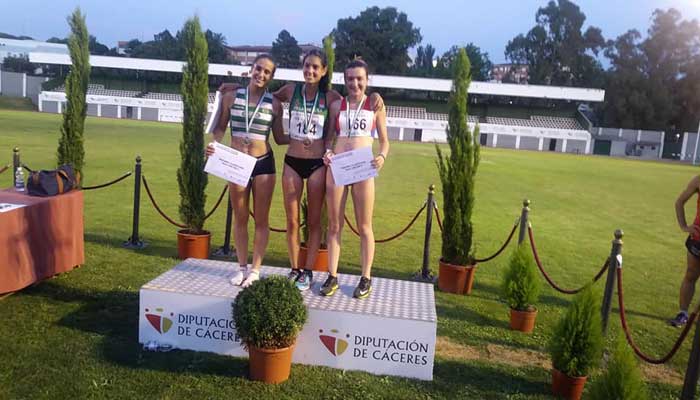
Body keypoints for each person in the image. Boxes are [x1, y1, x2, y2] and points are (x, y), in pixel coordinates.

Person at [218, 51, 384, 291]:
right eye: (307, 66)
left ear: (324, 71)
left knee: (314, 222)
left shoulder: (331, 97)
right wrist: (235, 86)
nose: (310, 71)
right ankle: (295, 268)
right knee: (292, 221)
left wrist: (375, 94)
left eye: (316, 67)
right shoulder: (289, 91)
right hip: (292, 162)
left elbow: (355, 98)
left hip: (317, 164)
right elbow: (262, 90)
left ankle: (308, 271)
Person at [207, 54, 288, 288]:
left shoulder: (275, 105)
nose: (261, 74)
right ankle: (241, 268)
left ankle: (255, 270)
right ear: (251, 69)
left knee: (261, 219)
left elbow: (279, 137)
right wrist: (214, 144)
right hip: (237, 163)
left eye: (267, 72)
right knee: (240, 217)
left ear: (271, 77)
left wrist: (307, 141)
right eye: (258, 69)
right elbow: (220, 127)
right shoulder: (231, 97)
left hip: (263, 164)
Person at [319, 59, 389, 299]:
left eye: (359, 78)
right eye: (350, 78)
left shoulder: (375, 104)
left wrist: (382, 156)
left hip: (362, 168)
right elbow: (329, 138)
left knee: (364, 226)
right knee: (334, 225)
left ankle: (366, 277)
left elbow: (385, 141)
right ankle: (332, 275)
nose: (355, 83)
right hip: (338, 167)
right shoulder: (336, 106)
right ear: (344, 79)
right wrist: (328, 152)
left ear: (367, 80)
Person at [670, 175, 700, 326]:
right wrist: (684, 226)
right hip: (698, 239)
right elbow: (679, 202)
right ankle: (683, 313)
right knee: (691, 274)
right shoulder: (698, 180)